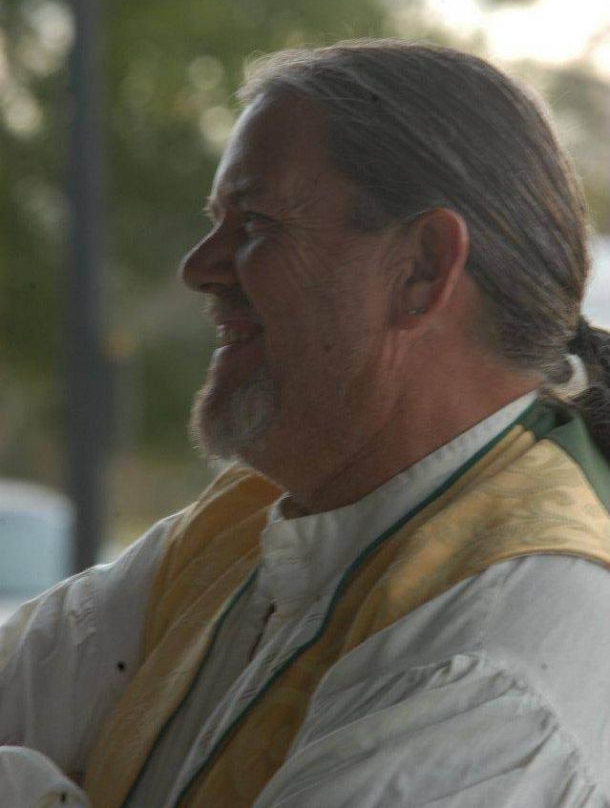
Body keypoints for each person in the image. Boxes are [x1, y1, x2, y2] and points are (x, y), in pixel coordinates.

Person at [2, 40, 610, 808]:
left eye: (255, 223)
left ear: (422, 269)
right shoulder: (242, 524)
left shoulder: (501, 650)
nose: (200, 268)